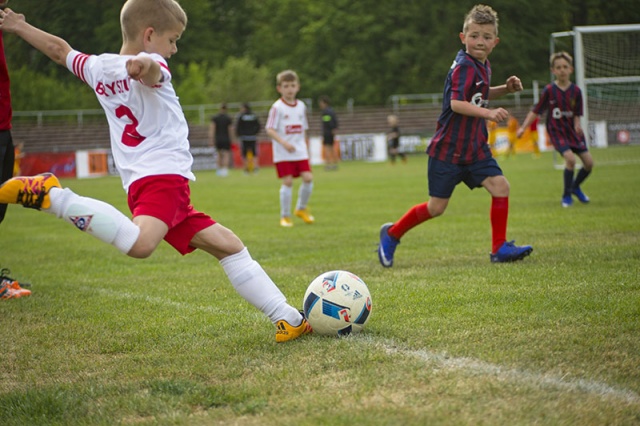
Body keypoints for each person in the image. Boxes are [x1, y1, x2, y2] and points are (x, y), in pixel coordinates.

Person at [0, 0, 310, 342]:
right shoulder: (153, 62)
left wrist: (19, 26)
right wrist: (142, 64)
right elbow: (152, 69)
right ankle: (52, 196)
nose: (174, 49)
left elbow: (60, 51)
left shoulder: (98, 67)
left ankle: (289, 318)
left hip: (147, 181)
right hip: (162, 177)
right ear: (149, 35)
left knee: (229, 246)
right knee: (141, 244)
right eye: (173, 39)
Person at [377, 4, 533, 267]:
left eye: (486, 37)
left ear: (495, 41)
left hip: (474, 149)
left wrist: (505, 89)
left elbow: (479, 93)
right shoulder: (464, 66)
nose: (480, 42)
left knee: (500, 186)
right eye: (474, 36)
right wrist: (488, 113)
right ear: (463, 38)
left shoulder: (481, 65)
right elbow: (457, 103)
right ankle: (391, 234)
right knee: (436, 208)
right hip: (448, 151)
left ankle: (499, 249)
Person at [517, 51, 593, 207]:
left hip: (573, 132)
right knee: (570, 159)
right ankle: (566, 196)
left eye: (565, 67)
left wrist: (577, 123)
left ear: (571, 69)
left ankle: (575, 187)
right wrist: (523, 128)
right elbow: (536, 111)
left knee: (589, 163)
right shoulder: (549, 90)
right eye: (558, 67)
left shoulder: (576, 91)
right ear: (553, 71)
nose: (562, 70)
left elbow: (577, 114)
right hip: (557, 132)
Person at [266, 70, 314, 227]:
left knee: (308, 178)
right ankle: (285, 216)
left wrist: (306, 146)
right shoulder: (277, 108)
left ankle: (301, 208)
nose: (290, 89)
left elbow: (303, 128)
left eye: (292, 85)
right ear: (279, 88)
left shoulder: (301, 106)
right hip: (283, 152)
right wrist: (284, 143)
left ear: (298, 87)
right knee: (287, 181)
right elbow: (270, 129)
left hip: (300, 150)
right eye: (286, 86)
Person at [235, 103, 261, 174]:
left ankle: (246, 169)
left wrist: (240, 134)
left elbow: (238, 127)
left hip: (244, 138)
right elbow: (258, 126)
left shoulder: (241, 116)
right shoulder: (254, 115)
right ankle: (255, 168)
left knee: (244, 154)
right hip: (253, 137)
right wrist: (255, 133)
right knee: (254, 153)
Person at [209, 103, 233, 177]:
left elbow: (212, 129)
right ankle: (225, 170)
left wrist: (211, 139)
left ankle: (219, 170)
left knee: (219, 154)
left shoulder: (215, 118)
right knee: (226, 154)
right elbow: (230, 129)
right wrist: (232, 138)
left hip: (218, 138)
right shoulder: (228, 118)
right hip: (226, 138)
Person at [318, 95, 339, 171]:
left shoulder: (326, 112)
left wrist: (330, 128)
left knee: (327, 148)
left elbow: (327, 121)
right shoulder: (331, 110)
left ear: (325, 103)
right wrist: (334, 128)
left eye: (321, 103)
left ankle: (328, 164)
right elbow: (335, 121)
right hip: (331, 131)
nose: (320, 104)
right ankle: (334, 163)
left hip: (327, 132)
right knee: (332, 147)